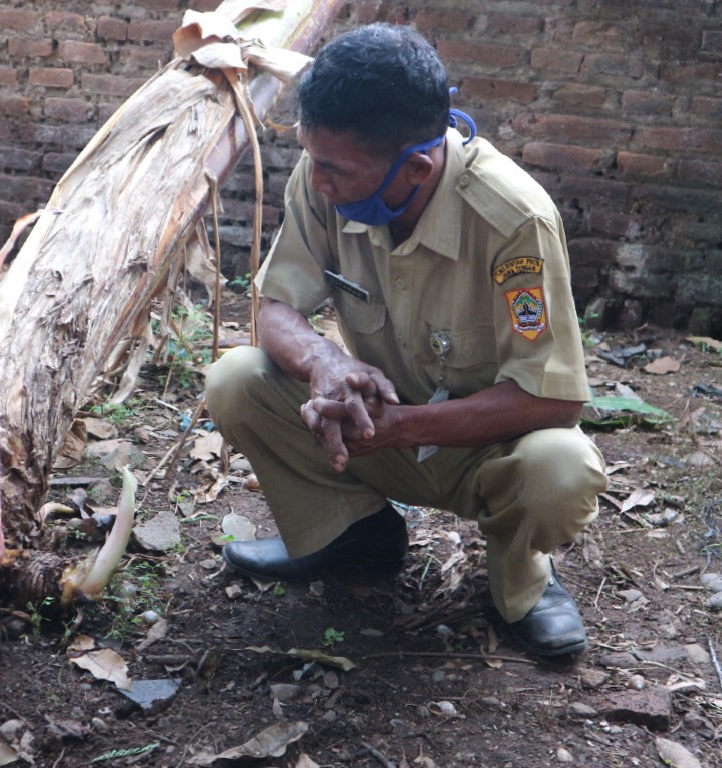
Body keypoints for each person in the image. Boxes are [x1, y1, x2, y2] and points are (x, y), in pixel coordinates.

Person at [204, 23, 608, 657]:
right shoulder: (324, 178)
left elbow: (555, 402)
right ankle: (353, 536)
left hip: (487, 455)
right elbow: (276, 307)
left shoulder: (513, 221)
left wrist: (405, 426)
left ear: (416, 166)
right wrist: (324, 361)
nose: (320, 185)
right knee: (236, 380)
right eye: (313, 160)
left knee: (562, 465)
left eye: (336, 171)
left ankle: (521, 582)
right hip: (374, 433)